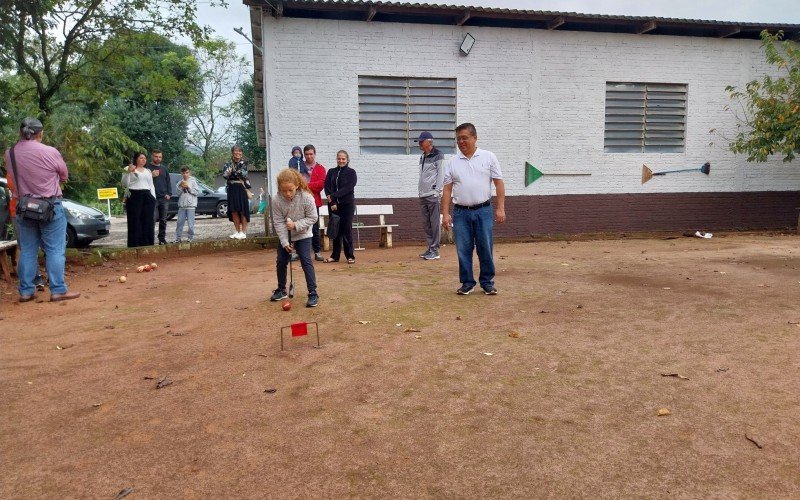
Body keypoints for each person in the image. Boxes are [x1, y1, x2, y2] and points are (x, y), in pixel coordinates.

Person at [4, 117, 80, 302]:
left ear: (20, 133)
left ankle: (26, 291)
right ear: (40, 133)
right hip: (49, 207)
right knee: (54, 249)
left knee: (28, 250)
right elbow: (64, 175)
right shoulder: (50, 151)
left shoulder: (10, 153)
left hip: (24, 207)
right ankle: (58, 290)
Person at [441, 123, 505, 295]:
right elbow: (447, 189)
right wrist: (445, 214)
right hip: (461, 212)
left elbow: (498, 183)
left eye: (465, 138)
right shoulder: (452, 162)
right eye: (458, 139)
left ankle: (487, 282)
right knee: (463, 248)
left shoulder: (488, 157)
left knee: (485, 247)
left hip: (483, 211)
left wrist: (500, 208)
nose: (461, 142)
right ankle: (467, 282)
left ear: (475, 138)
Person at [270, 168, 320, 308]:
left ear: (297, 185)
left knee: (305, 259)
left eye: (290, 190)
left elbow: (313, 217)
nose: (287, 194)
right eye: (283, 190)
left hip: (303, 233)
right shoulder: (276, 200)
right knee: (281, 260)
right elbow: (278, 222)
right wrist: (285, 242)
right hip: (286, 234)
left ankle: (313, 292)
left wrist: (296, 225)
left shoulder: (306, 197)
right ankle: (281, 290)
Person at [5, 173, 46, 290]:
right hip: (27, 209)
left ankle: (37, 280)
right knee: (29, 248)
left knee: (30, 248)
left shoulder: (13, 164)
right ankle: (36, 278)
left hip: (33, 209)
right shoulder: (13, 168)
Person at [415, 131, 446, 260]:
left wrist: (436, 191)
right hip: (423, 195)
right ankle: (430, 248)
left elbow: (441, 174)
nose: (420, 144)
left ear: (429, 141)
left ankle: (435, 250)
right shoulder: (422, 157)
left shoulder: (438, 155)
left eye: (422, 142)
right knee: (426, 224)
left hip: (432, 195)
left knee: (434, 223)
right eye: (419, 142)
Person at [323, 150, 357, 264]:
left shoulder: (351, 172)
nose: (341, 161)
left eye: (343, 159)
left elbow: (348, 188)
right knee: (335, 230)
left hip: (347, 205)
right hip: (333, 206)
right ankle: (335, 256)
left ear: (347, 159)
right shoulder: (331, 172)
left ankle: (350, 256)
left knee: (346, 230)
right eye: (339, 158)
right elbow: (326, 186)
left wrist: (333, 196)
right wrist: (332, 202)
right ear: (336, 159)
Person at [122, 152, 156, 247]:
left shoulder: (148, 171)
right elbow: (124, 183)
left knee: (148, 220)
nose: (143, 160)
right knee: (135, 220)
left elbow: (151, 185)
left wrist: (153, 198)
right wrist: (129, 172)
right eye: (141, 158)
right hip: (134, 195)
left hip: (147, 196)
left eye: (145, 158)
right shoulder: (128, 168)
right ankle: (135, 244)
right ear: (136, 159)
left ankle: (147, 243)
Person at [301, 144, 327, 261]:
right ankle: (300, 252)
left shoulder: (320, 168)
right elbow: (294, 182)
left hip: (314, 201)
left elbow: (320, 185)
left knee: (314, 227)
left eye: (311, 154)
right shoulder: (298, 166)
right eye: (306, 154)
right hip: (299, 200)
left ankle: (317, 251)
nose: (309, 156)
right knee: (300, 226)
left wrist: (305, 185)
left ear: (314, 154)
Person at [221, 145, 251, 239]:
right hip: (231, 188)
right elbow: (225, 175)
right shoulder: (228, 163)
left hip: (241, 187)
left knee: (242, 210)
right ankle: (238, 231)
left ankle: (244, 232)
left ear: (241, 153)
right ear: (232, 152)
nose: (238, 153)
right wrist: (231, 172)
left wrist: (231, 172)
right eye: (236, 151)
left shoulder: (244, 162)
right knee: (234, 210)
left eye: (240, 151)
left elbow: (243, 173)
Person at [146, 149, 172, 245]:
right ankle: (149, 240)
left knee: (163, 220)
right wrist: (150, 175)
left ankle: (162, 239)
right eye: (156, 156)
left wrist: (169, 194)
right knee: (152, 219)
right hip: (151, 198)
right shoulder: (147, 167)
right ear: (152, 156)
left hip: (163, 198)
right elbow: (142, 180)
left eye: (160, 157)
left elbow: (168, 182)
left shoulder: (164, 169)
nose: (158, 158)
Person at [175, 166, 199, 243]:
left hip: (191, 206)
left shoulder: (193, 181)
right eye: (184, 173)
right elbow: (177, 194)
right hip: (182, 206)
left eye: (187, 172)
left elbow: (197, 192)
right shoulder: (179, 183)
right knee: (179, 223)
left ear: (189, 173)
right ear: (181, 173)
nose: (185, 174)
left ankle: (190, 238)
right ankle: (178, 238)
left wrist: (189, 188)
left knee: (190, 223)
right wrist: (181, 188)